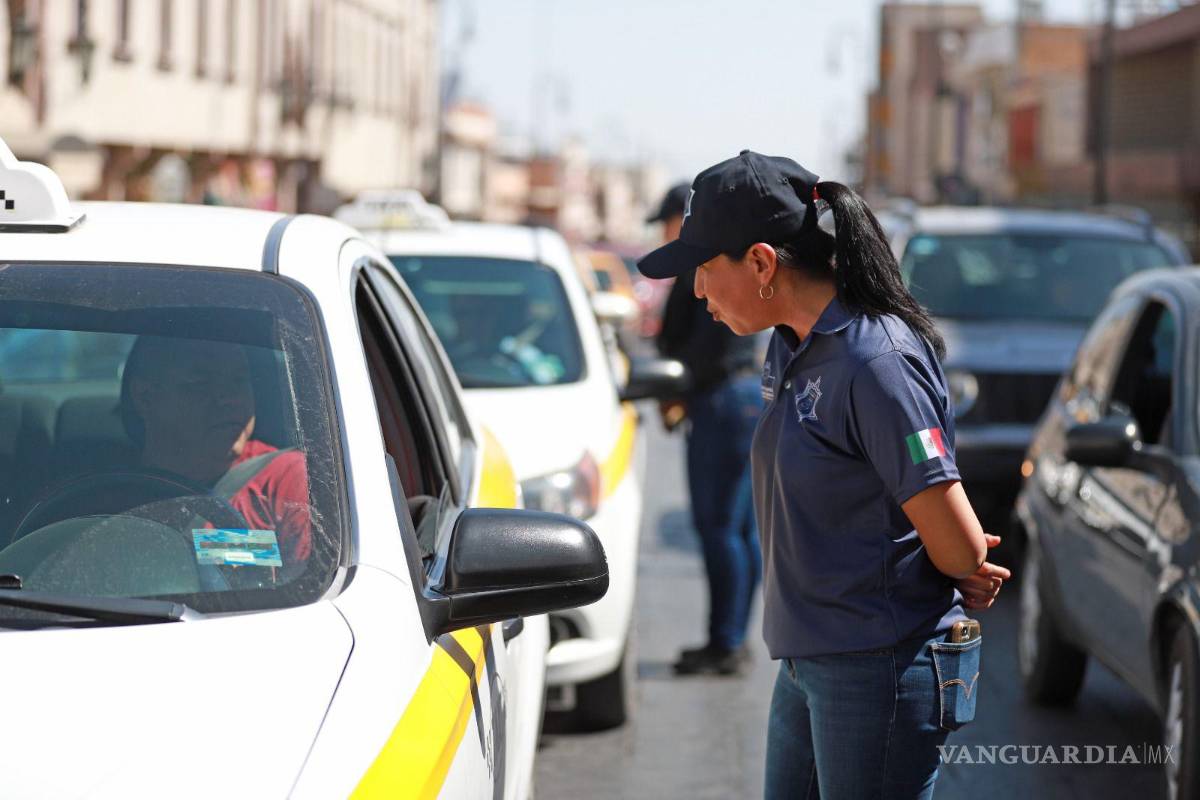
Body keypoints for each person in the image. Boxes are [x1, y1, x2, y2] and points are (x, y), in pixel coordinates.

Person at [637, 151, 1011, 799]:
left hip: (877, 665)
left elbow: (959, 539)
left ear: (760, 262)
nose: (696, 291)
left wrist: (961, 560)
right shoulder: (791, 343)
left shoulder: (875, 360)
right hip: (810, 657)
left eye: (703, 268)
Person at [647, 182, 764, 676]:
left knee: (721, 529)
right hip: (739, 397)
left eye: (668, 221)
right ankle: (732, 638)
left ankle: (726, 642)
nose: (663, 233)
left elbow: (697, 349)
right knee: (738, 530)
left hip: (721, 400)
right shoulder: (715, 263)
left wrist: (675, 384)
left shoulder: (708, 268)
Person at [120, 335, 312, 573]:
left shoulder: (286, 479)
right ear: (145, 397)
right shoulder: (108, 493)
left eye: (239, 381)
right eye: (200, 383)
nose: (229, 399)